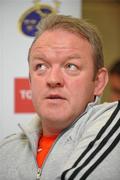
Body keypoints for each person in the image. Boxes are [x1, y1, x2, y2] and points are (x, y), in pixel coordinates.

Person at [0, 14, 120, 180]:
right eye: (41, 66)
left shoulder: (116, 123)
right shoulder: (5, 150)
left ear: (98, 82)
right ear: (30, 80)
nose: (53, 79)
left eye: (70, 66)